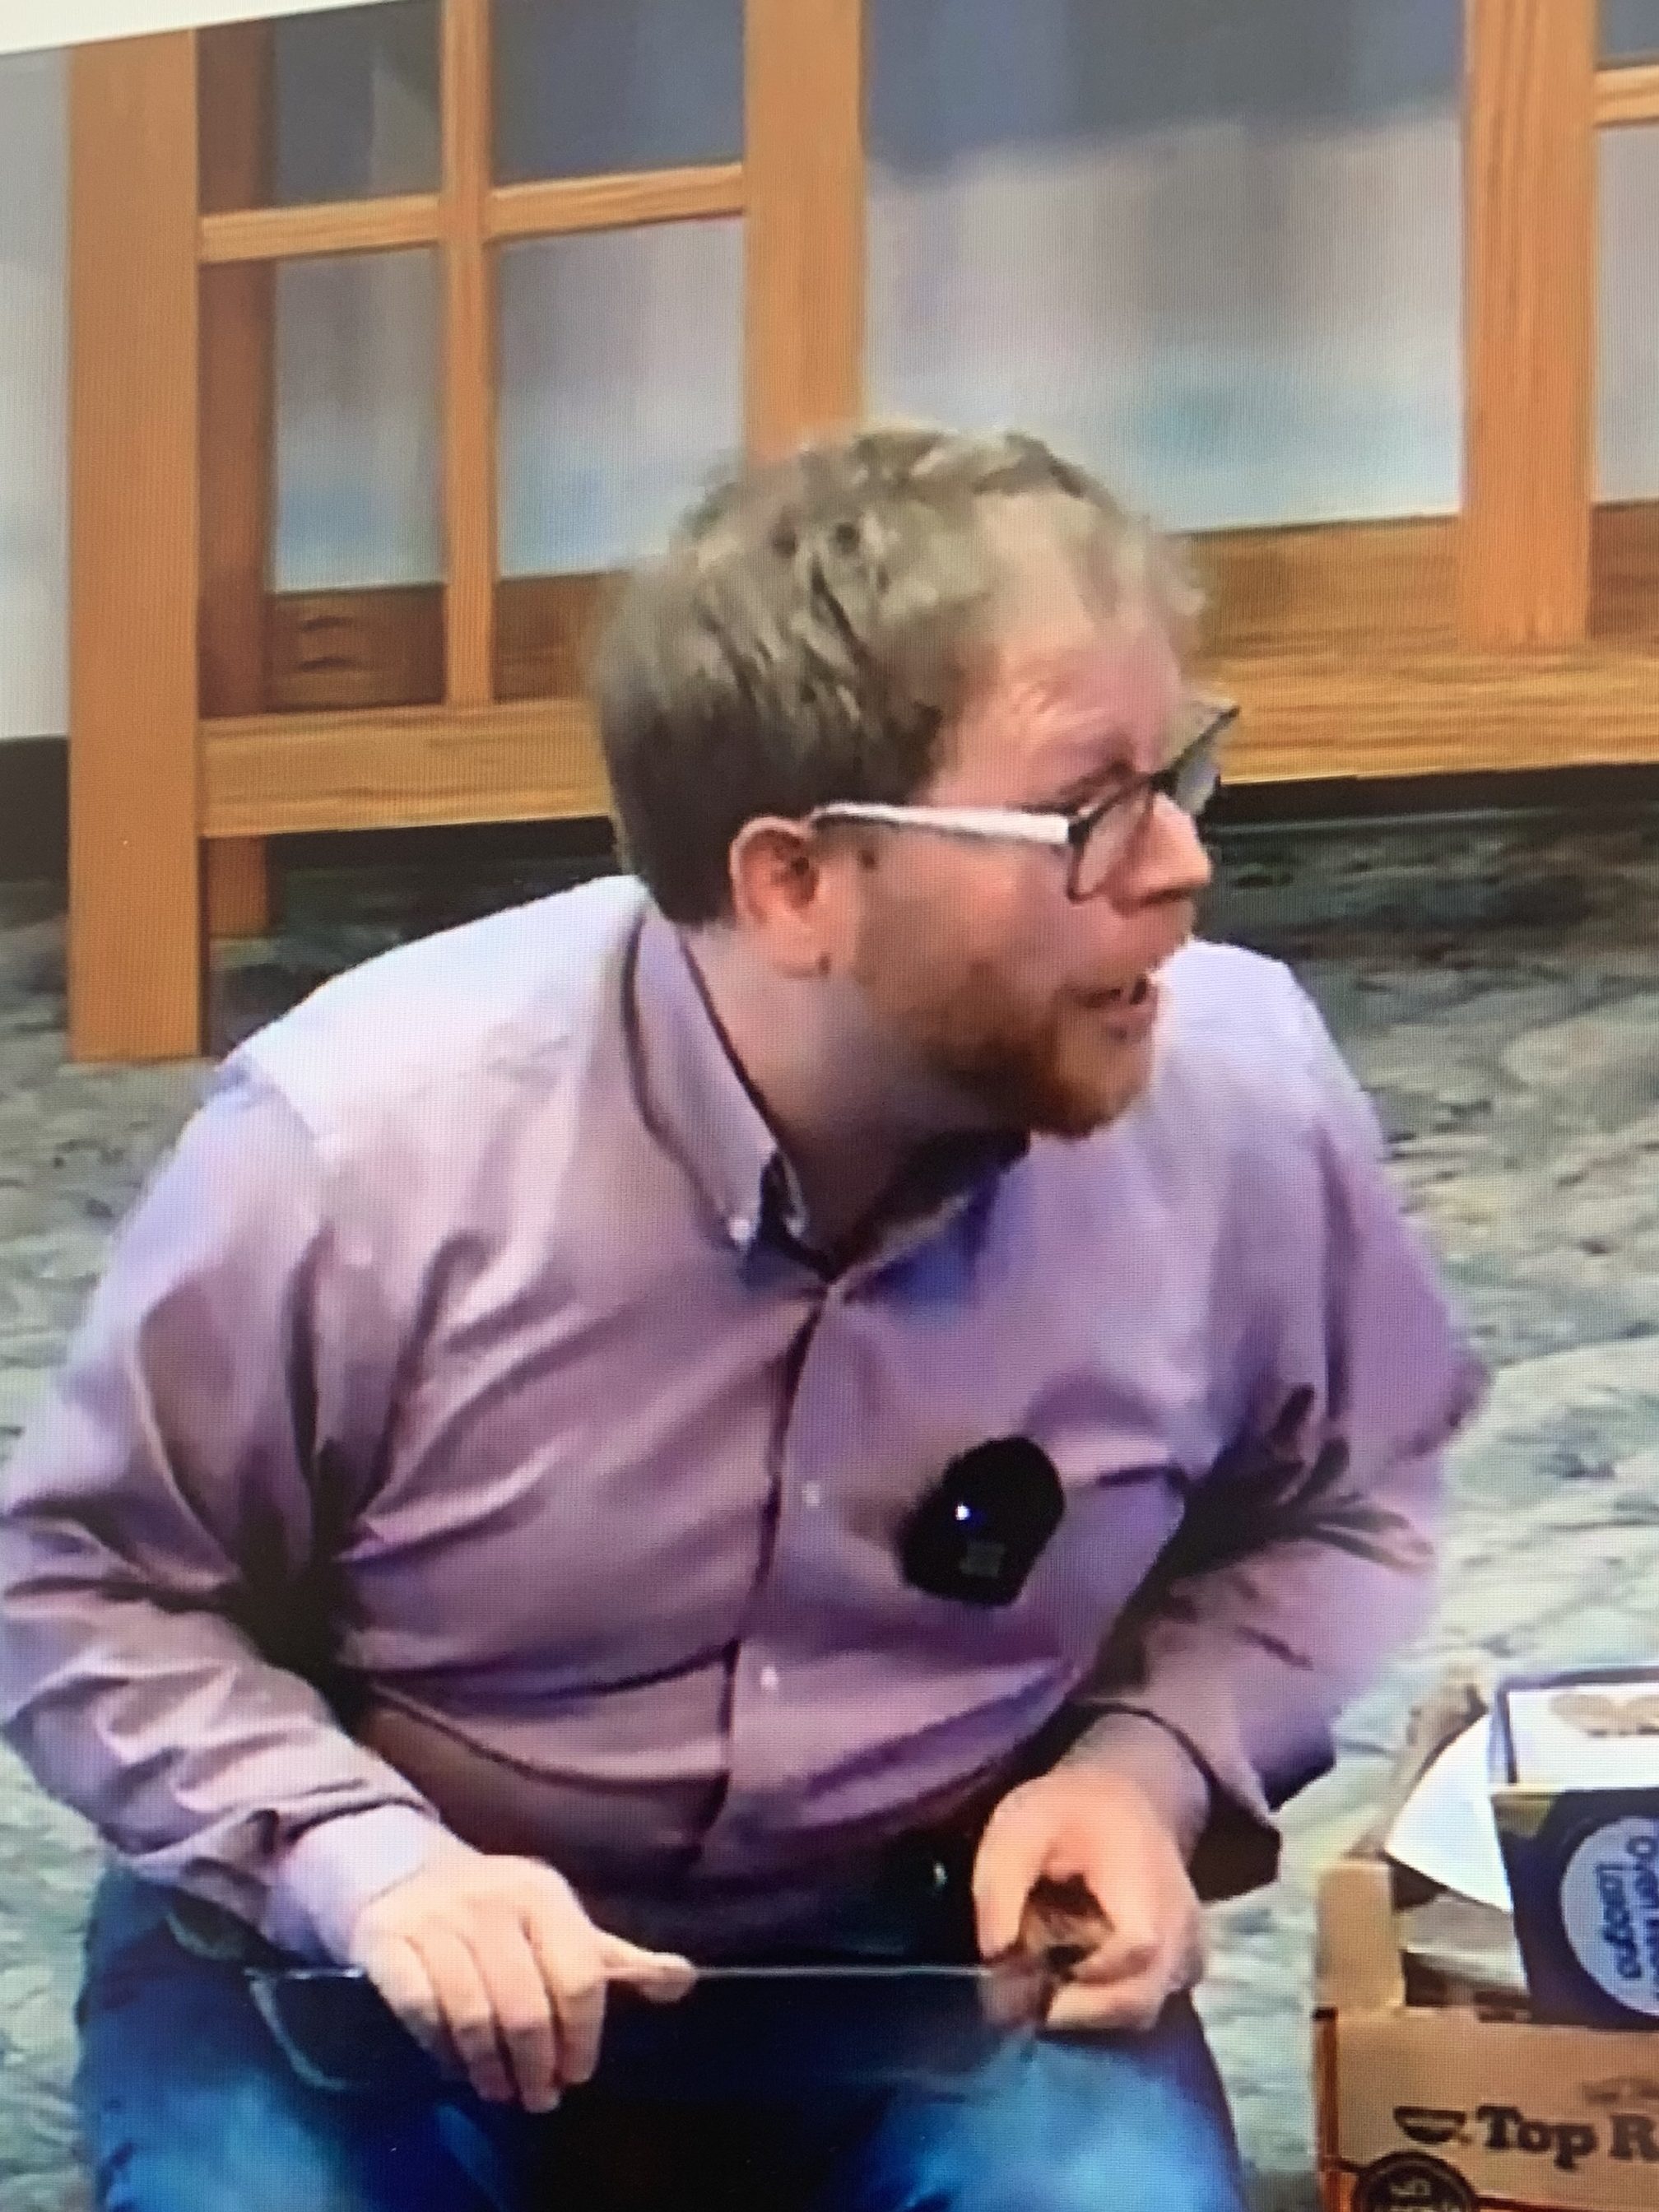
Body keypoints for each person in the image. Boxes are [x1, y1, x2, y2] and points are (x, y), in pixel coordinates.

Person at [0, 423, 1485, 2212]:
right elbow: (82, 1590)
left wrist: (1148, 1764)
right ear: (793, 882)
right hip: (381, 1938)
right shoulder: (359, 1151)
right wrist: (361, 1861)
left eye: (1181, 777)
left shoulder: (1238, 1095)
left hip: (933, 1929)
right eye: (1090, 813)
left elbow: (1350, 1499)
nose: (1179, 868)